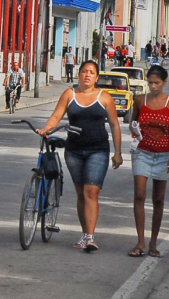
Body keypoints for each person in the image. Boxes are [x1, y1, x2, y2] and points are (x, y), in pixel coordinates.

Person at [39, 60, 123, 253]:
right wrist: (46, 129)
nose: (87, 75)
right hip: (74, 151)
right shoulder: (70, 94)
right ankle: (85, 233)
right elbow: (56, 115)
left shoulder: (105, 98)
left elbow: (115, 125)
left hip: (98, 150)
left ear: (96, 77)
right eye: (84, 71)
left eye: (91, 72)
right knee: (80, 193)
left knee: (91, 192)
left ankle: (90, 238)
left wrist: (118, 153)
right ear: (79, 74)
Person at [129, 65, 169, 258]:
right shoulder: (140, 100)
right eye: (150, 82)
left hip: (163, 154)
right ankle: (140, 242)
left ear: (164, 82)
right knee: (139, 195)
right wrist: (134, 131)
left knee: (158, 199)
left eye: (157, 82)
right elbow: (133, 123)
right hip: (142, 152)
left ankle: (153, 243)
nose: (153, 86)